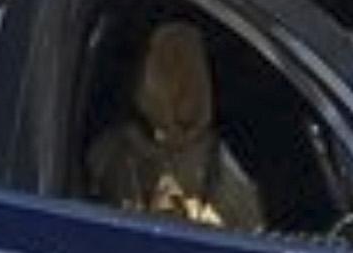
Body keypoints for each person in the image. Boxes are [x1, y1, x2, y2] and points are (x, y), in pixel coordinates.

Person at [85, 20, 264, 233]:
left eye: (190, 72)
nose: (183, 91)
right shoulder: (113, 152)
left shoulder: (225, 170)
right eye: (166, 69)